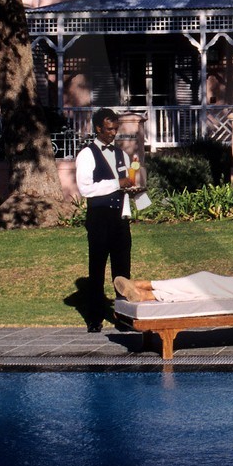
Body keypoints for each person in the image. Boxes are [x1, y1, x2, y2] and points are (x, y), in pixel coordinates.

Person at [77, 107, 141, 332]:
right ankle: (94, 318)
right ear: (98, 129)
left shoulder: (122, 155)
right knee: (97, 268)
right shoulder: (87, 154)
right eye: (109, 129)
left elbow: (126, 185)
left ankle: (123, 317)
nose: (113, 133)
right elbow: (86, 188)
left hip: (119, 218)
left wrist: (135, 194)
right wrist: (117, 184)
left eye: (115, 129)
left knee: (122, 269)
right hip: (99, 218)